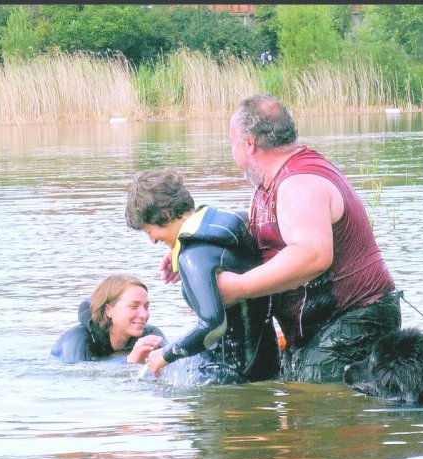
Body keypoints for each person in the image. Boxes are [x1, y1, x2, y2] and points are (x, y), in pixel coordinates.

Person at [161, 94, 402, 383]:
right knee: (301, 407)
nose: (233, 152)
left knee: (316, 409)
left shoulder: (299, 182)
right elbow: (252, 234)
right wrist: (193, 247)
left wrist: (239, 287)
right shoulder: (272, 184)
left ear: (249, 143)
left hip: (354, 318)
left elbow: (312, 255)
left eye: (232, 143)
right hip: (320, 326)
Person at [124, 167, 280, 384]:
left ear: (166, 215)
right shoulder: (235, 221)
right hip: (268, 359)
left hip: (230, 374)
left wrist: (166, 354)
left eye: (150, 231)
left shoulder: (194, 256)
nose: (152, 240)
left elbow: (213, 325)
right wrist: (176, 248)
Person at [52, 274, 167, 363]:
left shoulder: (150, 335)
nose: (144, 315)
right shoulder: (79, 339)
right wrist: (128, 361)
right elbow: (80, 375)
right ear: (109, 310)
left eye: (146, 307)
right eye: (133, 306)